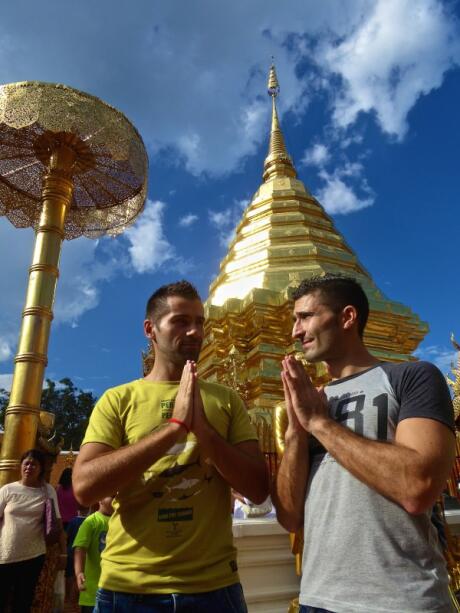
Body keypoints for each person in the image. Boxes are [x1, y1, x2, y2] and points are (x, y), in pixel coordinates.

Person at [73, 280, 269, 612]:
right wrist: (173, 428)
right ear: (150, 329)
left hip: (214, 587)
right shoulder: (119, 400)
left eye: (199, 322)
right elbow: (85, 488)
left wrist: (204, 431)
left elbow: (258, 488)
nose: (194, 332)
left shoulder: (226, 400)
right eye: (180, 321)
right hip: (128, 587)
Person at [273, 274, 456, 613]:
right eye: (294, 320)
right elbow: (288, 517)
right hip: (318, 599)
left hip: (402, 600)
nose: (295, 332)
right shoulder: (308, 404)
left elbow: (417, 487)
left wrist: (320, 423)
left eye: (306, 317)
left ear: (347, 317)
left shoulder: (410, 378)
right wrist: (296, 434)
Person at [0, 448, 65, 612]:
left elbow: (57, 521)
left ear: (41, 468)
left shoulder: (47, 490)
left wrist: (64, 552)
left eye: (34, 464)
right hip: (5, 554)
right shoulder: (8, 490)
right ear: (21, 466)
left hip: (33, 555)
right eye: (26, 463)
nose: (29, 467)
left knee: (23, 601)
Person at [73, 497, 113, 613]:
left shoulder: (121, 522)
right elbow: (80, 549)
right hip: (92, 590)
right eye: (112, 497)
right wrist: (79, 573)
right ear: (100, 498)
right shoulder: (91, 522)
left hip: (115, 588)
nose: (116, 500)